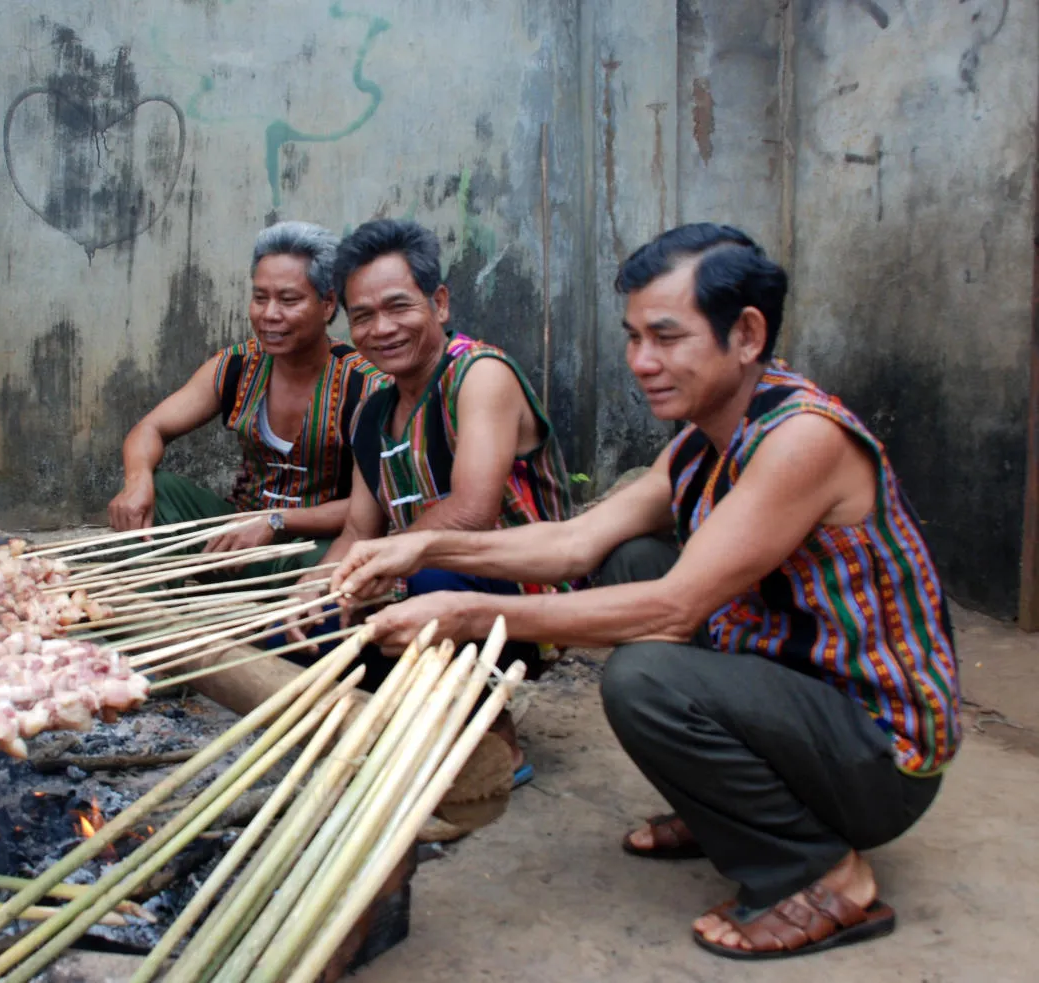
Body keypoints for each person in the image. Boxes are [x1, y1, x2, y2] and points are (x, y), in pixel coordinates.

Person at [330, 223, 960, 959]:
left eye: (666, 337)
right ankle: (741, 805)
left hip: (880, 755)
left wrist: (464, 609)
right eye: (633, 337)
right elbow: (576, 540)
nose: (642, 362)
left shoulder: (801, 439)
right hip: (804, 710)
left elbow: (676, 608)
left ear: (747, 333)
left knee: (645, 674)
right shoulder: (701, 440)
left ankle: (819, 873)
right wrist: (423, 543)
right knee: (632, 557)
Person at [299, 219, 571, 686]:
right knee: (300, 629)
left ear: (438, 303)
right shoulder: (372, 412)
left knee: (423, 592)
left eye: (398, 307)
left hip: (519, 595)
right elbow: (358, 531)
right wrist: (315, 587)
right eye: (362, 316)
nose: (381, 329)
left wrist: (377, 566)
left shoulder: (479, 374)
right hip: (411, 583)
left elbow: (471, 515)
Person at [106, 222, 379, 577]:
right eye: (260, 297)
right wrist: (137, 479)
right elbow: (151, 428)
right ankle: (149, 611)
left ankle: (288, 603)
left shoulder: (365, 386)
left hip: (313, 544)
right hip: (235, 537)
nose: (269, 314)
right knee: (156, 492)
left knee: (346, 562)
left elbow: (376, 506)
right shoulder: (237, 365)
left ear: (327, 304)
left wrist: (277, 520)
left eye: (288, 300)